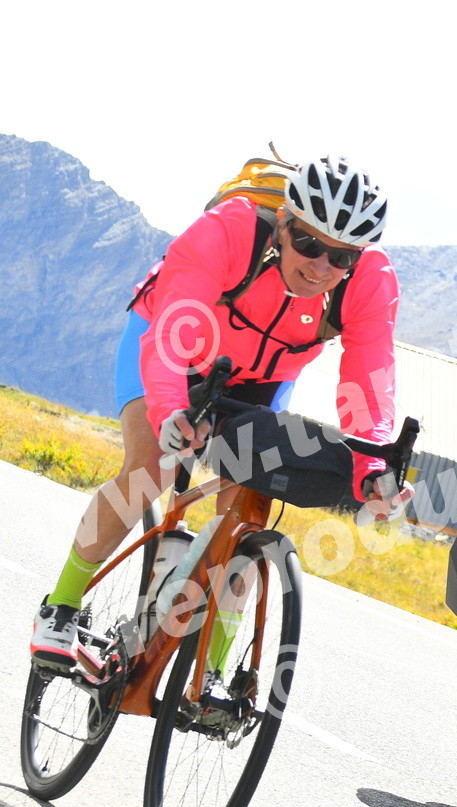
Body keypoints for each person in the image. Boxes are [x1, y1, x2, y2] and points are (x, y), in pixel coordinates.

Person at [30, 156, 409, 671]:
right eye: (308, 244)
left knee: (250, 503)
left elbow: (370, 376)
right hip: (172, 346)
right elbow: (171, 331)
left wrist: (373, 464)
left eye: (340, 257)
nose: (321, 267)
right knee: (152, 467)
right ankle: (60, 608)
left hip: (261, 381)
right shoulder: (229, 231)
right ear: (284, 224)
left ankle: (211, 673)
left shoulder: (370, 280)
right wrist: (171, 411)